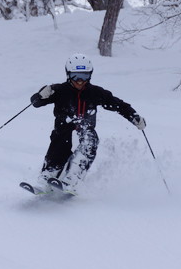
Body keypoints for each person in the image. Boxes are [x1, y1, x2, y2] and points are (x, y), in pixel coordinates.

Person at [30, 53, 146, 190]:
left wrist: (133, 116)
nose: (80, 81)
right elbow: (36, 103)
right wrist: (41, 95)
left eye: (84, 76)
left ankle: (73, 178)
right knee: (60, 144)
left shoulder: (95, 92)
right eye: (75, 76)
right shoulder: (58, 90)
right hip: (63, 129)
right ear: (68, 75)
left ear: (90, 75)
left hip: (85, 128)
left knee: (90, 140)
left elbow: (118, 104)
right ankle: (48, 175)